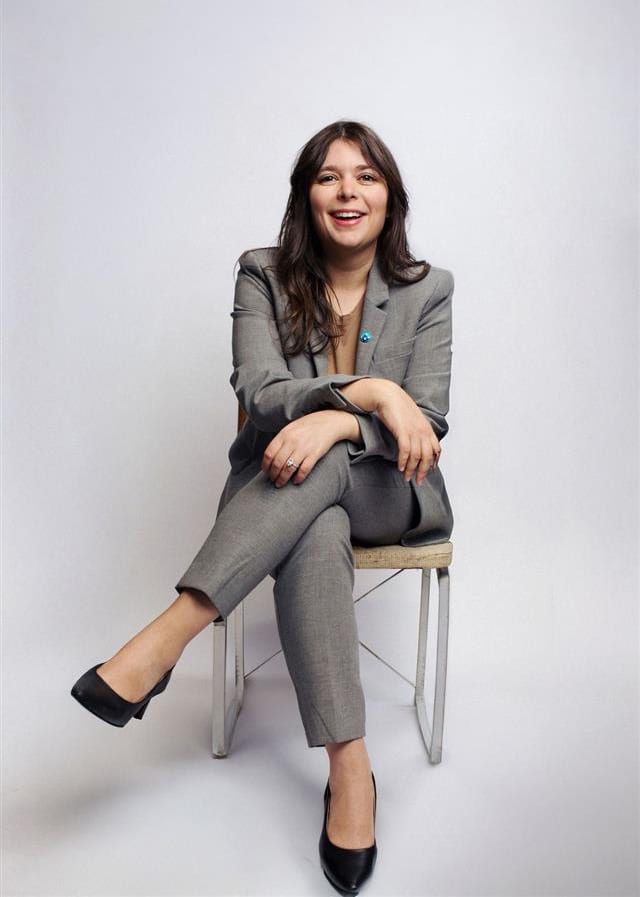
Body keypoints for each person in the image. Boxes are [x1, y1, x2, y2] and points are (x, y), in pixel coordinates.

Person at [70, 119, 455, 895]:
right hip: (291, 490)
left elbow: (429, 422)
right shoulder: (262, 274)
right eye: (329, 177)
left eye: (366, 176)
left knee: (326, 469)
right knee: (316, 521)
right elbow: (259, 392)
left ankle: (163, 640)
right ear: (306, 195)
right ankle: (352, 770)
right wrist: (375, 392)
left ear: (391, 196)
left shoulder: (429, 289)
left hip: (392, 489)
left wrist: (343, 419)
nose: (348, 192)